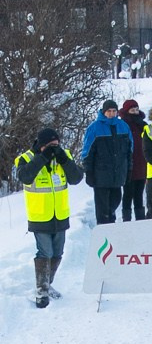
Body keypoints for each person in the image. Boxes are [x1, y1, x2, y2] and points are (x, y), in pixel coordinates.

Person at [13, 128, 83, 307]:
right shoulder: (26, 158)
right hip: (40, 215)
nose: (55, 149)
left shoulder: (64, 155)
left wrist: (64, 159)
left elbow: (76, 178)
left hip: (60, 214)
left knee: (58, 253)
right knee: (45, 252)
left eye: (56, 145)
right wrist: (43, 157)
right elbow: (25, 177)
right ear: (42, 145)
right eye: (51, 146)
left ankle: (48, 283)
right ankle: (41, 291)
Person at [80, 98, 133, 224]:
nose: (111, 114)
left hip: (118, 173)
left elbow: (130, 150)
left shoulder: (123, 126)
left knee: (115, 203)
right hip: (101, 175)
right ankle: (103, 231)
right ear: (103, 112)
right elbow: (87, 152)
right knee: (103, 209)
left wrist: (129, 168)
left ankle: (112, 228)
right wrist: (89, 172)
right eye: (109, 111)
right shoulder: (94, 128)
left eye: (114, 111)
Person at [118, 97, 149, 220]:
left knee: (139, 195)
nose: (135, 112)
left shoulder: (143, 125)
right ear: (127, 111)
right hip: (128, 166)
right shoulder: (123, 125)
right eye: (132, 110)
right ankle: (127, 220)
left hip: (141, 164)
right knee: (127, 194)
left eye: (137, 109)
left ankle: (140, 219)